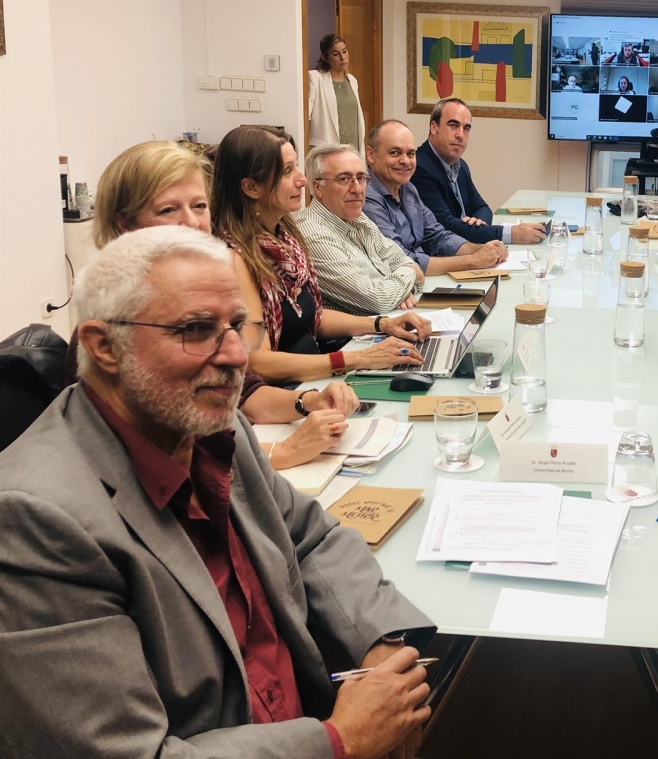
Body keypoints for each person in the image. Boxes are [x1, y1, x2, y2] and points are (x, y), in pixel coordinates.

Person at [0, 224, 437, 758]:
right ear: (103, 347)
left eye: (235, 325)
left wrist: (378, 649)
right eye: (197, 329)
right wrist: (339, 740)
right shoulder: (34, 518)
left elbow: (310, 537)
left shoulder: (216, 431)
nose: (235, 355)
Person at [85, 140, 359, 471]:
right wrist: (283, 451)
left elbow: (246, 390)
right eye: (168, 210)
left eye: (199, 206)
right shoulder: (118, 318)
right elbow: (162, 453)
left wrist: (307, 401)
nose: (193, 223)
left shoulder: (200, 292)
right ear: (124, 226)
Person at [211, 126, 430, 385]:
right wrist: (358, 358)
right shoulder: (237, 258)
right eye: (287, 171)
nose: (302, 180)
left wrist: (382, 324)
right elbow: (259, 362)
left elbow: (313, 315)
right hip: (288, 388)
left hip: (314, 376)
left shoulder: (285, 237)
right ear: (251, 187)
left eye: (361, 179)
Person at [298, 143, 484, 316]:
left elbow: (397, 258)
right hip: (350, 342)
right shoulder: (313, 234)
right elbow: (377, 299)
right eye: (344, 179)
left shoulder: (356, 216)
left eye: (361, 178)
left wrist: (398, 283)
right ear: (318, 187)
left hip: (390, 318)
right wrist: (409, 277)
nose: (356, 189)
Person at [364, 120, 509, 276]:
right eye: (395, 152)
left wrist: (484, 250)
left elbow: (439, 236)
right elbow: (403, 262)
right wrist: (473, 260)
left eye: (411, 153)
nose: (405, 161)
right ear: (371, 155)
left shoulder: (408, 189)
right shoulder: (365, 196)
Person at [410, 98, 548, 246]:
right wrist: (511, 234)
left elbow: (482, 208)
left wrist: (478, 225)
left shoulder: (460, 165)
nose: (460, 134)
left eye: (466, 128)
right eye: (453, 125)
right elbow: (444, 225)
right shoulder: (419, 168)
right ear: (434, 127)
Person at [307, 34, 366, 157]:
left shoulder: (352, 80)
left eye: (344, 52)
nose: (342, 58)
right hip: (327, 150)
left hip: (352, 150)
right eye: (335, 54)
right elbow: (305, 116)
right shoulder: (315, 78)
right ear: (325, 57)